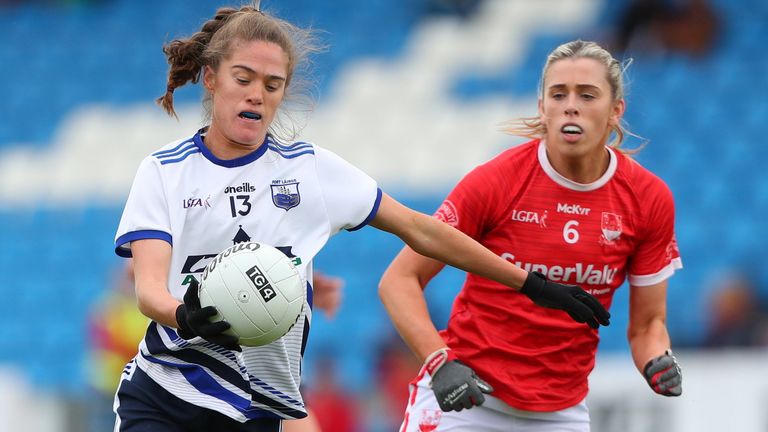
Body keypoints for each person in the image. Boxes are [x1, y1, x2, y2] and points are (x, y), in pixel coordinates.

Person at [112, 4, 609, 431]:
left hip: (259, 409)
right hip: (164, 396)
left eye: (273, 84)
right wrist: (185, 316)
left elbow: (421, 229)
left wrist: (531, 283)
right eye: (243, 79)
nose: (257, 94)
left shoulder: (310, 171)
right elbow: (149, 290)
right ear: (211, 77)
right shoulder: (164, 171)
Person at [379, 39, 684, 431]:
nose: (570, 105)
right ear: (542, 107)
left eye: (587, 95)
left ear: (615, 110)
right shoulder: (497, 181)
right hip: (469, 399)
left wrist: (657, 360)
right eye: (558, 94)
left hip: (561, 413)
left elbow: (647, 325)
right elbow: (399, 280)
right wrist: (439, 362)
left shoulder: (649, 198)